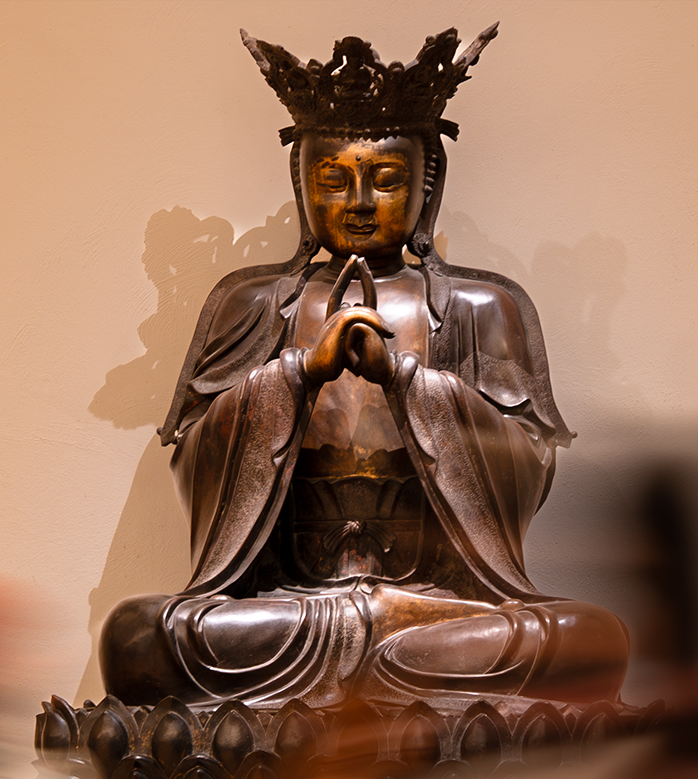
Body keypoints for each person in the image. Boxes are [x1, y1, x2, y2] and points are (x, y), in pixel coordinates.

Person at [100, 26, 629, 711]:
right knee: (137, 639)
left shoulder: (479, 308)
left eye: (385, 181)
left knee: (587, 640)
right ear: (302, 187)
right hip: (291, 608)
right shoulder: (253, 304)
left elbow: (526, 465)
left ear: (426, 186)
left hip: (432, 607)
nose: (357, 203)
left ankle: (353, 677)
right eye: (333, 180)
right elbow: (195, 459)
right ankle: (394, 683)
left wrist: (405, 381)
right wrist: (296, 375)